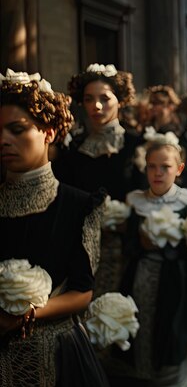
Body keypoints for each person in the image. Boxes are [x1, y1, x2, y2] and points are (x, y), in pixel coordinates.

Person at [0, 69, 109, 386]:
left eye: (17, 129)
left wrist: (25, 316)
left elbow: (82, 291)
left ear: (48, 132)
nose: (3, 140)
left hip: (56, 350)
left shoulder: (78, 204)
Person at [107, 132, 187, 386]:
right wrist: (138, 242)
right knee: (139, 321)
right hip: (140, 274)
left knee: (168, 326)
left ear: (179, 169)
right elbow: (126, 240)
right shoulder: (136, 199)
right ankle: (140, 370)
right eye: (152, 167)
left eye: (165, 167)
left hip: (174, 278)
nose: (158, 173)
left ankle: (165, 374)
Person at [55, 63, 146, 298]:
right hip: (79, 244)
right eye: (89, 99)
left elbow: (147, 196)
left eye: (105, 98)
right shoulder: (72, 148)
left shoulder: (137, 144)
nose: (96, 106)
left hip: (124, 245)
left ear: (119, 100)